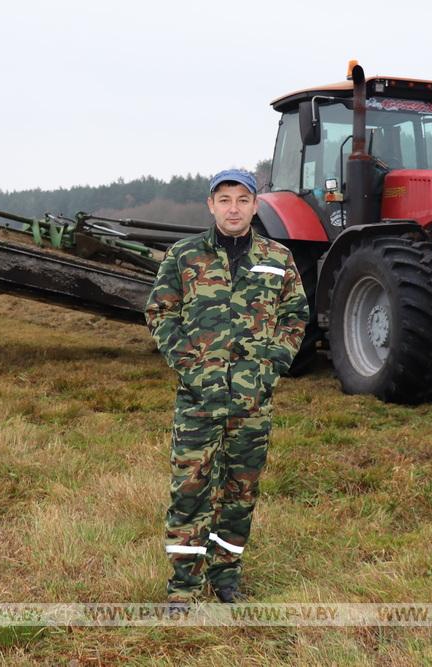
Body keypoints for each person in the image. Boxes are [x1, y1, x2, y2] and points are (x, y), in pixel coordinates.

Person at [144, 168, 308, 604]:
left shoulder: (278, 258)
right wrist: (192, 369)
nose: (233, 208)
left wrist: (271, 367)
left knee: (240, 491)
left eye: (242, 199)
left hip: (254, 403)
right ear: (210, 205)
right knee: (190, 490)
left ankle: (226, 576)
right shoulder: (183, 256)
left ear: (256, 205)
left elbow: (296, 317)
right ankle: (183, 587)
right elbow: (160, 313)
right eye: (224, 200)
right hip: (199, 400)